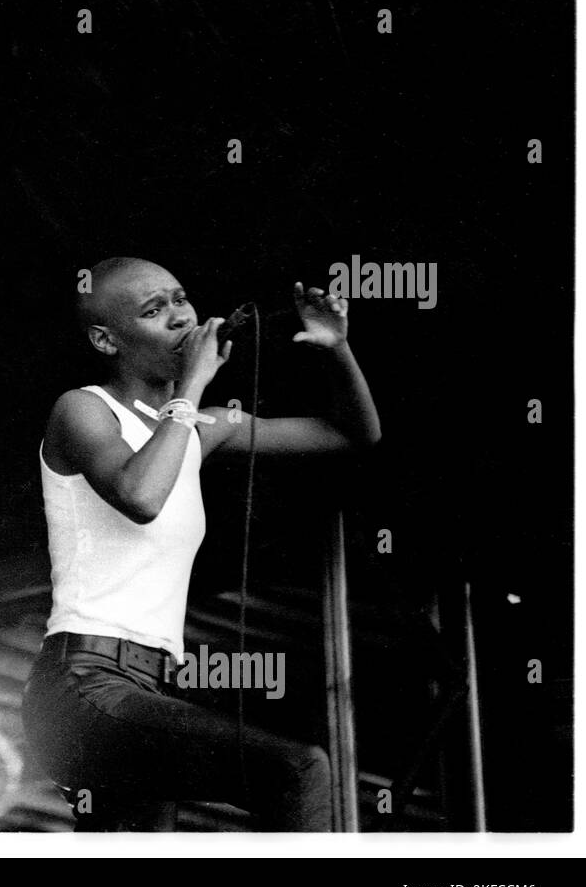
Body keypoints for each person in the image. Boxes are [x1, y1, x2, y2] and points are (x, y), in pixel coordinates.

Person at [22, 256, 381, 831]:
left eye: (180, 299)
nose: (179, 316)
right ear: (105, 339)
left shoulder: (201, 427)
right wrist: (190, 385)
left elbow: (352, 434)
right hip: (84, 685)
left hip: (146, 686)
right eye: (153, 309)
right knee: (299, 769)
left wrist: (337, 347)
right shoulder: (83, 409)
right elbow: (140, 495)